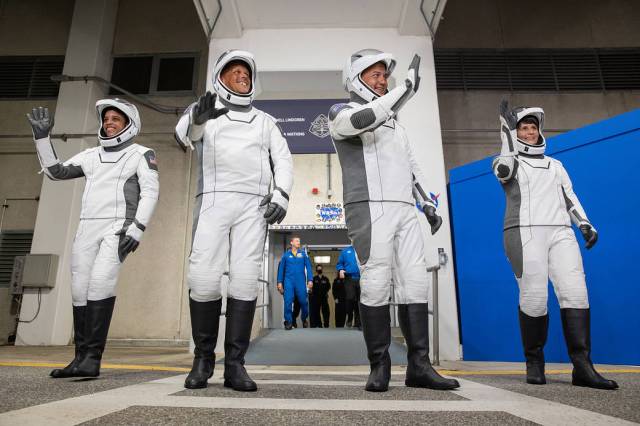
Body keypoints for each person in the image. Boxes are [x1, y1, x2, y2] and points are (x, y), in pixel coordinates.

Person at [328, 49, 459, 392]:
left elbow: (412, 168)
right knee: (374, 283)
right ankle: (379, 366)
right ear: (356, 79)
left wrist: (427, 203)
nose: (384, 81)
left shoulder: (396, 127)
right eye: (376, 75)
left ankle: (419, 366)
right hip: (370, 209)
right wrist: (404, 90)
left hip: (404, 210)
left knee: (415, 283)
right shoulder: (342, 111)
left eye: (385, 76)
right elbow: (360, 121)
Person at [175, 50, 293, 391]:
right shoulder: (204, 110)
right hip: (213, 201)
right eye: (234, 70)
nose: (242, 75)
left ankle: (236, 365)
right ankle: (202, 360)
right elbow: (183, 137)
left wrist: (281, 194)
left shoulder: (265, 121)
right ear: (220, 78)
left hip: (253, 207)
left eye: (246, 71)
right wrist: (199, 118)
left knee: (244, 280)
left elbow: (283, 160)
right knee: (204, 278)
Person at [26, 99, 159, 378]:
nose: (109, 123)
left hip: (118, 228)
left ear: (129, 125)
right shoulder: (90, 155)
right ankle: (79, 359)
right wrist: (42, 137)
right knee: (79, 290)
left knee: (100, 285)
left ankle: (93, 359)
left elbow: (150, 191)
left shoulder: (141, 153)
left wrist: (138, 228)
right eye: (106, 119)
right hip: (87, 229)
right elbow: (56, 172)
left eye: (116, 120)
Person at [493, 101, 617, 390]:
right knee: (534, 298)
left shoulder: (556, 165)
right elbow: (503, 170)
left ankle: (582, 366)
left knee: (576, 294)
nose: (529, 132)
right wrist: (506, 133)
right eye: (523, 127)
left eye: (533, 127)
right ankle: (534, 362)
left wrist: (585, 224)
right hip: (524, 233)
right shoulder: (507, 161)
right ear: (515, 131)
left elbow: (569, 197)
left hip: (561, 232)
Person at [277, 236, 313, 330]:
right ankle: (288, 322)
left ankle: (304, 318)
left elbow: (308, 267)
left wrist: (310, 280)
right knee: (288, 302)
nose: (298, 242)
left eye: (299, 241)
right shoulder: (286, 255)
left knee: (303, 302)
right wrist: (279, 282)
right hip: (288, 281)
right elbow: (281, 269)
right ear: (291, 242)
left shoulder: (303, 254)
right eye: (296, 241)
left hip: (300, 281)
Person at [336, 245, 361, 328]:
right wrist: (341, 270)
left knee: (360, 300)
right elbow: (339, 263)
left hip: (362, 277)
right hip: (349, 278)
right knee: (350, 298)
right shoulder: (345, 251)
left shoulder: (364, 249)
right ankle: (350, 316)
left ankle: (358, 323)